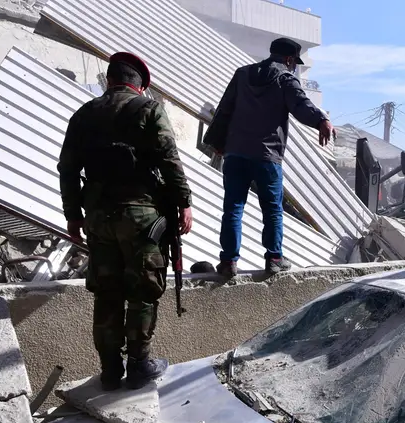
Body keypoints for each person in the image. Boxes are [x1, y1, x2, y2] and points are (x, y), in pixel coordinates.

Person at [58, 52, 194, 391]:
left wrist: (73, 215)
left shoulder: (84, 115)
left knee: (107, 293)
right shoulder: (147, 110)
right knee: (142, 291)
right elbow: (169, 160)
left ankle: (109, 371)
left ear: (109, 80)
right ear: (140, 85)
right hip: (142, 218)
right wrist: (184, 203)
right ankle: (139, 365)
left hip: (100, 219)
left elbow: (68, 170)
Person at [203, 37, 334, 277]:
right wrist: (321, 120)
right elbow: (301, 105)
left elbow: (225, 109)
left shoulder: (242, 74)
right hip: (267, 155)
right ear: (288, 58)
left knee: (233, 207)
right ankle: (274, 258)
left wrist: (219, 143)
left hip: (235, 153)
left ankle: (228, 262)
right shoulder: (285, 78)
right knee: (272, 209)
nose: (294, 66)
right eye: (294, 61)